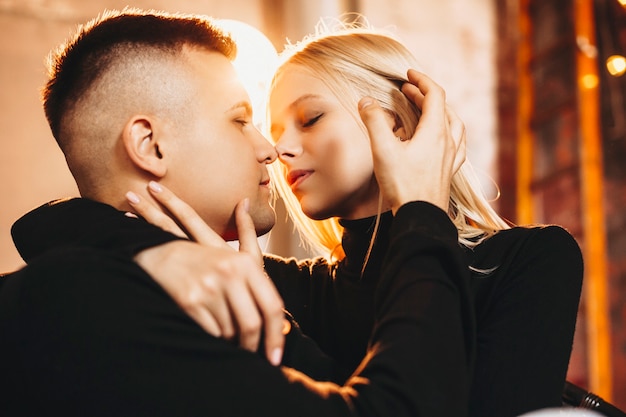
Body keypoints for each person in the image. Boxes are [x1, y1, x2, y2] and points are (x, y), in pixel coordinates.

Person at [0, 8, 475, 417]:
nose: (270, 149)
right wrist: (420, 211)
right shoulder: (90, 306)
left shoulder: (117, 287)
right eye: (241, 120)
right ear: (150, 145)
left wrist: (156, 252)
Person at [121, 22, 585, 417]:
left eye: (310, 118)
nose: (278, 149)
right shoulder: (280, 286)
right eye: (274, 131)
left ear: (399, 124)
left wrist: (419, 214)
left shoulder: (533, 259)